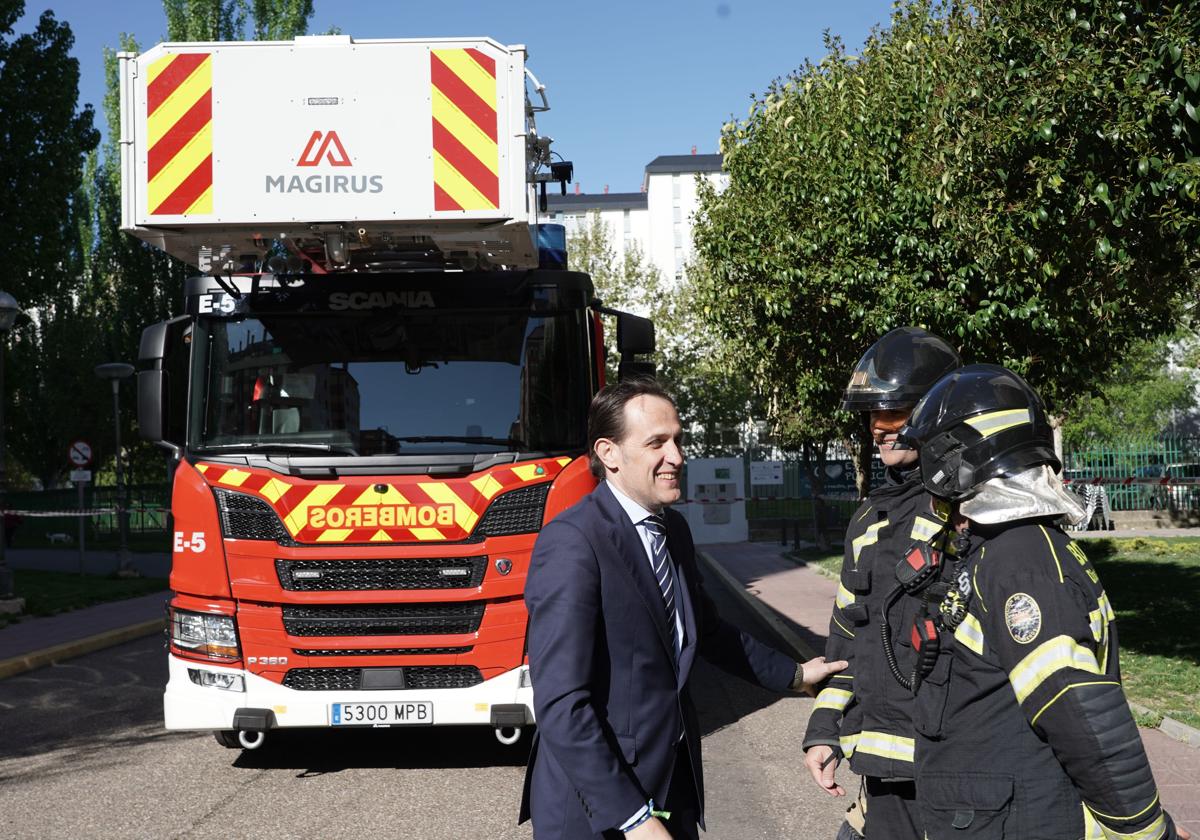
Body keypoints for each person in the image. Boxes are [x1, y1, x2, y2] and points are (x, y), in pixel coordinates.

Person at [518, 377, 845, 840]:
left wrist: (794, 674)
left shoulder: (673, 530)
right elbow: (562, 705)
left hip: (672, 789)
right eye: (657, 443)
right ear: (609, 453)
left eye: (678, 440)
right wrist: (633, 819)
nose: (677, 457)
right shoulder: (573, 542)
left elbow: (706, 632)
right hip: (598, 811)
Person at [894, 364, 1188, 839]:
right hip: (984, 817)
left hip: (1015, 822)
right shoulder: (1003, 550)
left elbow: (1074, 703)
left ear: (963, 454)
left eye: (932, 452)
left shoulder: (1019, 557)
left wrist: (1145, 830)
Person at [802, 326, 961, 840]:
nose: (880, 427)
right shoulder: (870, 519)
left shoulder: (971, 516)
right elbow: (848, 637)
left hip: (956, 773)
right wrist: (824, 730)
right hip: (883, 777)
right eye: (875, 414)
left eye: (897, 412)